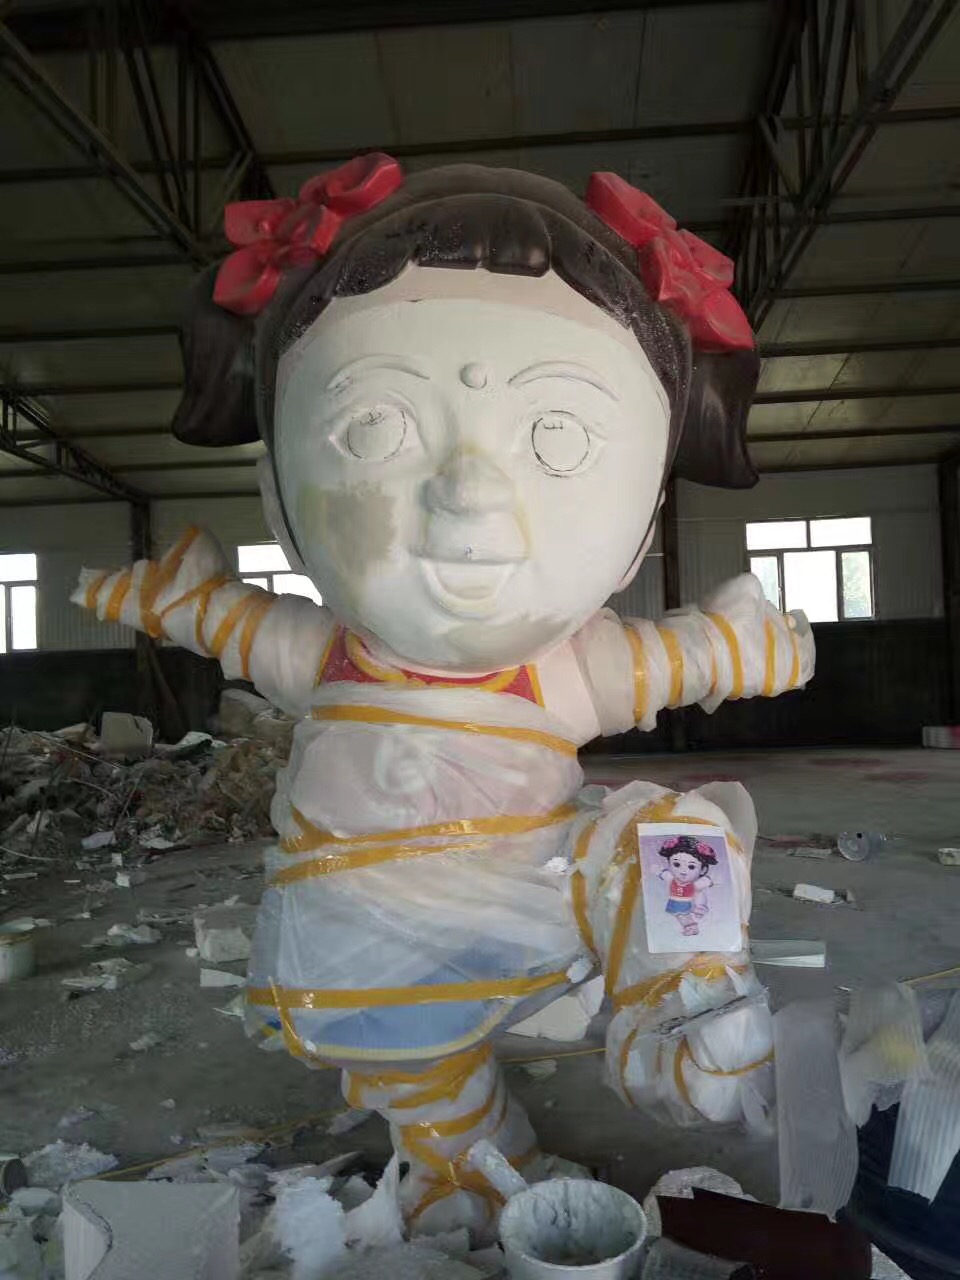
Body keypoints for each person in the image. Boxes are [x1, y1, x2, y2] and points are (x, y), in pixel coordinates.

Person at [74, 154, 814, 1233]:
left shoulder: (560, 669)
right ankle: (464, 1153)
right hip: (366, 926)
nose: (469, 496)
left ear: (642, 525)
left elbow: (669, 661)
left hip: (536, 886)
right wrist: (174, 602)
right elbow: (237, 625)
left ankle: (686, 1018)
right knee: (418, 1069)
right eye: (377, 427)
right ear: (277, 495)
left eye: (559, 438)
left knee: (672, 838)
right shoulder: (332, 654)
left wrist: (732, 648)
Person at [658, 835, 718, 937]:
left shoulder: (694, 885)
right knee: (677, 918)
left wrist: (712, 881)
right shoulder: (671, 879)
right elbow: (663, 874)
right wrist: (656, 870)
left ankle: (693, 927)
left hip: (686, 905)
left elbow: (706, 883)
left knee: (685, 916)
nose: (683, 871)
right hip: (673, 904)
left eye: (691, 866)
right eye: (676, 864)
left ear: (702, 870)